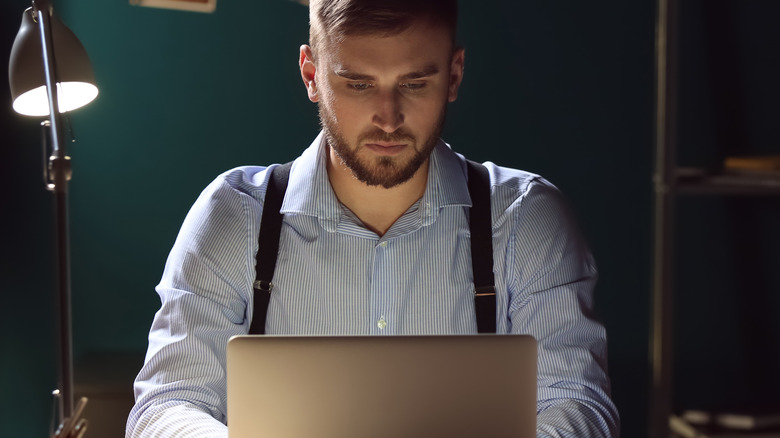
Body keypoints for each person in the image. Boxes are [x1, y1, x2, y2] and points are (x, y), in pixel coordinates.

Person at [127, 0, 620, 436]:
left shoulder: (524, 218)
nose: (388, 116)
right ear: (311, 74)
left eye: (414, 82)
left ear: (454, 74)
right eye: (359, 83)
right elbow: (166, 405)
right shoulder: (234, 217)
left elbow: (578, 404)